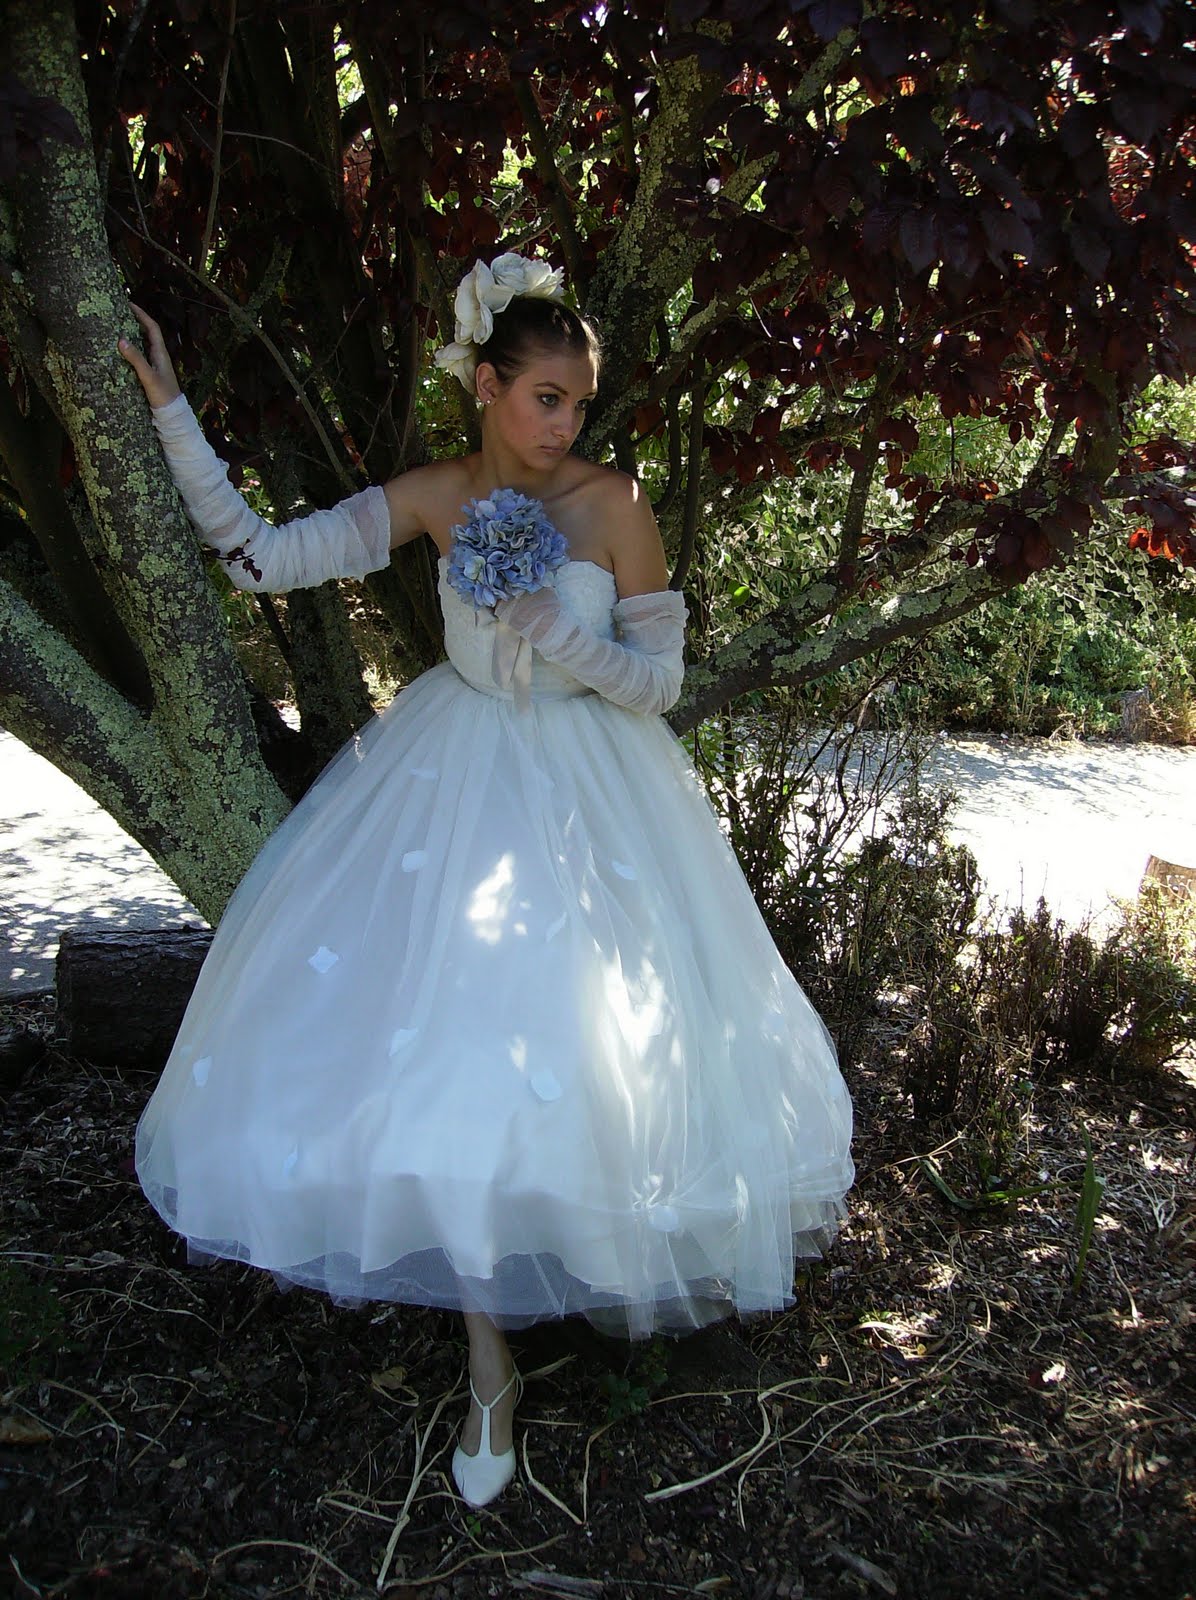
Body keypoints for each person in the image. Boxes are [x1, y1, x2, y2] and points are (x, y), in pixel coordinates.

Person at [120, 253, 855, 1511]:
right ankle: (486, 1356)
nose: (566, 422)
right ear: (485, 386)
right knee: (448, 1049)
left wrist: (561, 635)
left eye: (577, 401)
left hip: (596, 788)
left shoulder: (615, 503)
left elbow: (661, 685)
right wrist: (171, 411)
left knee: (598, 1044)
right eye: (547, 397)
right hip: (447, 784)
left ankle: (572, 1256)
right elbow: (253, 555)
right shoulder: (434, 494)